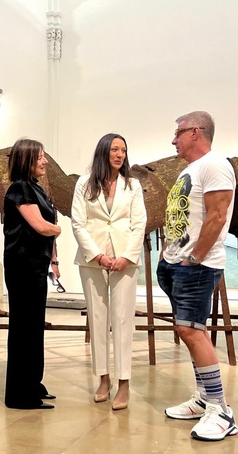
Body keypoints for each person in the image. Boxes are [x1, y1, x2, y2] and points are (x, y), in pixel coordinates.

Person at [156, 111, 238, 441]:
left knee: (191, 332)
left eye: (178, 133)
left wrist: (196, 256)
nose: (173, 139)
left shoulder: (215, 165)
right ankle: (204, 398)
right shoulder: (191, 170)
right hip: (178, 263)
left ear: (195, 132)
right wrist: (168, 253)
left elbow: (217, 216)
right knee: (192, 330)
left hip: (198, 266)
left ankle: (221, 409)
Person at [71, 133, 146, 411]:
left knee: (123, 320)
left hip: (126, 259)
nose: (120, 154)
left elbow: (140, 223)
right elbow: (78, 223)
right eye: (115, 149)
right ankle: (104, 378)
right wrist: (98, 255)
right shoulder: (84, 183)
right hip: (93, 259)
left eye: (123, 150)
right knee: (98, 319)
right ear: (104, 151)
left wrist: (127, 256)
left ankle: (124, 382)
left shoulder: (133, 185)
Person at [3, 138, 61, 409]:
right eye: (40, 157)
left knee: (34, 327)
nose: (45, 161)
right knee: (24, 329)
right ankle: (20, 394)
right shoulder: (20, 189)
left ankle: (33, 383)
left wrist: (53, 257)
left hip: (35, 268)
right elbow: (41, 226)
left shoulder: (34, 189)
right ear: (27, 160)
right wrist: (58, 229)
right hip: (23, 269)